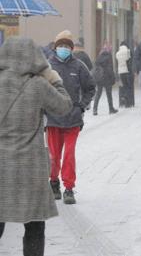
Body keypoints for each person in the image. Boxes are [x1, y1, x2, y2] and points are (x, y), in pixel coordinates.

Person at [0, 37, 73, 256]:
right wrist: (54, 79)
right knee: (34, 225)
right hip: (28, 167)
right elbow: (64, 106)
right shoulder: (38, 85)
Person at [46, 30, 96, 204]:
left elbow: (90, 87)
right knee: (53, 155)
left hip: (73, 118)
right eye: (61, 45)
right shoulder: (47, 66)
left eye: (67, 46)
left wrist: (82, 106)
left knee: (69, 154)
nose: (63, 48)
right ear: (55, 47)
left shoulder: (79, 66)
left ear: (71, 48)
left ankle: (69, 188)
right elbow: (40, 89)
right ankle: (53, 182)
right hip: (53, 119)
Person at [92, 44, 118, 116]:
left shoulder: (99, 56)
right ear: (109, 50)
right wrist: (113, 78)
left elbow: (96, 67)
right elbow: (110, 69)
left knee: (98, 94)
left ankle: (95, 109)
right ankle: (111, 109)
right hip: (107, 78)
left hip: (99, 78)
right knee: (109, 95)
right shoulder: (109, 56)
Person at [116, 41, 134, 108]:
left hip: (121, 72)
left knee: (124, 86)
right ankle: (128, 102)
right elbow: (131, 60)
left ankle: (123, 100)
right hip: (128, 71)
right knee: (129, 87)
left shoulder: (117, 53)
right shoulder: (128, 51)